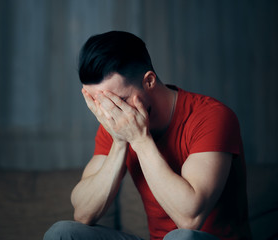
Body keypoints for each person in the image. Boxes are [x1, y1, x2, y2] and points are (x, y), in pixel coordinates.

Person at [44, 31, 252, 240]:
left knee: (181, 238)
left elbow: (190, 220)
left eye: (117, 101)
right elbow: (83, 214)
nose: (111, 112)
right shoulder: (116, 123)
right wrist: (119, 140)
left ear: (149, 81)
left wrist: (140, 140)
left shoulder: (211, 116)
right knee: (63, 233)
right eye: (100, 103)